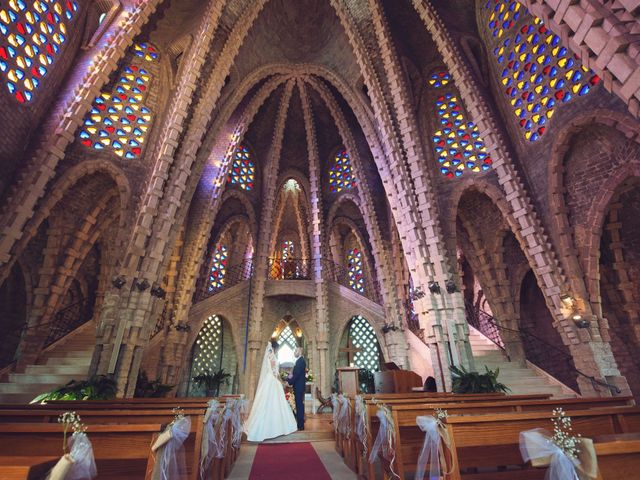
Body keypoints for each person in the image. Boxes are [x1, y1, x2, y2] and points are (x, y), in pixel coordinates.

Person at [245, 342, 297, 442]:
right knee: (274, 403)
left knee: (266, 403)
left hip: (268, 381)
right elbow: (274, 372)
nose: (277, 350)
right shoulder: (272, 356)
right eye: (277, 349)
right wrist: (280, 381)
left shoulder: (268, 355)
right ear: (275, 348)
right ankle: (275, 428)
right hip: (272, 381)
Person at [287, 347, 306, 430]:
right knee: (299, 405)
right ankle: (300, 423)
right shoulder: (299, 361)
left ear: (300, 352)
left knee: (299, 405)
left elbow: (297, 375)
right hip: (298, 386)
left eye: (296, 351)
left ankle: (301, 425)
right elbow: (295, 374)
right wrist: (289, 376)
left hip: (299, 387)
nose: (294, 352)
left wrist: (289, 381)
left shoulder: (301, 361)